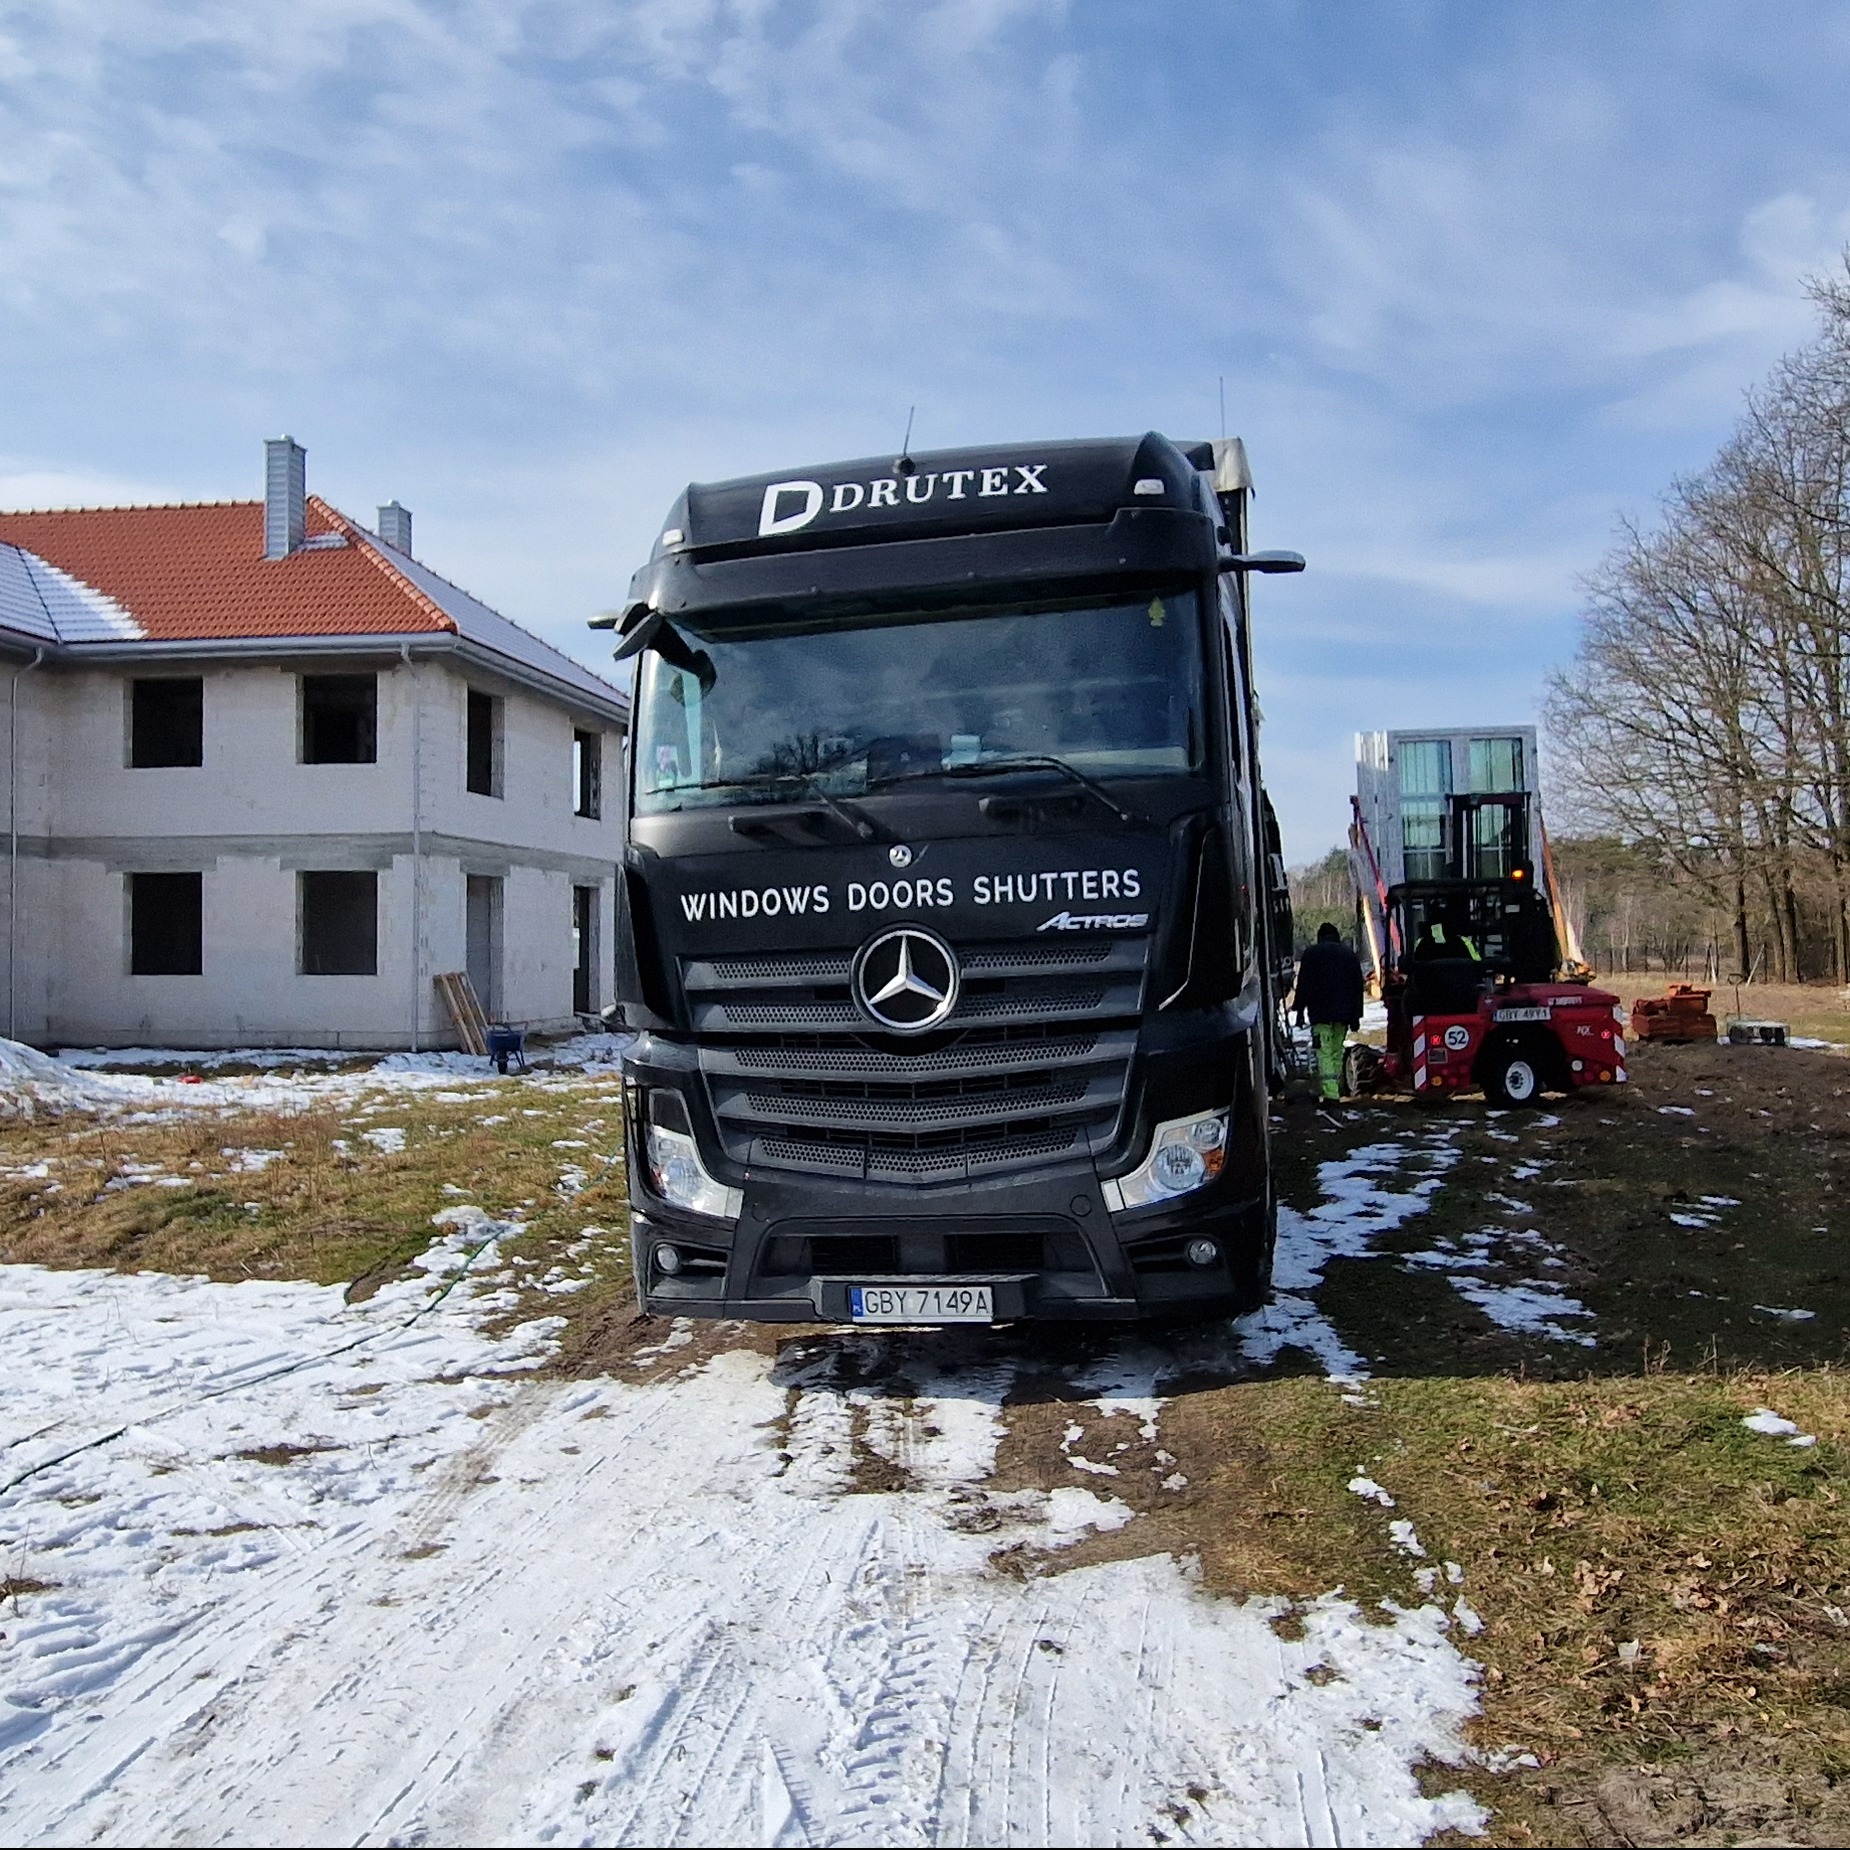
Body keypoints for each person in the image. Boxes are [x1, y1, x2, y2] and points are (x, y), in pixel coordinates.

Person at [1293, 922, 1365, 1105]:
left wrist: (1299, 1010)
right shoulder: (1349, 955)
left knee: (1324, 1052)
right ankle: (1336, 1089)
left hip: (1320, 1015)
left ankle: (1331, 1094)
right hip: (1343, 1015)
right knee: (1336, 1051)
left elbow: (1303, 986)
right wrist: (1356, 1015)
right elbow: (1357, 987)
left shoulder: (1311, 954)